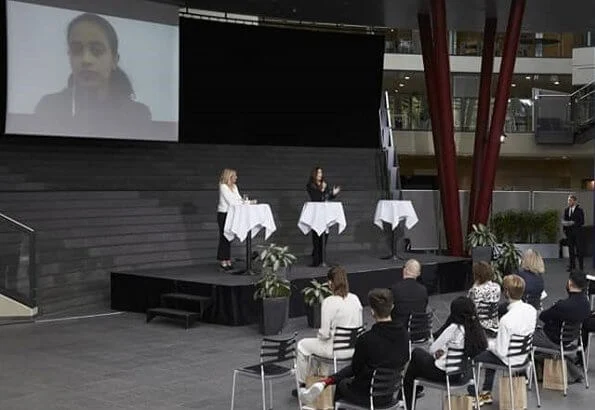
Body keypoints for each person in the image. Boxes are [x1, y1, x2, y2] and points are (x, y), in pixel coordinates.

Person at [34, 13, 151, 137]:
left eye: (97, 50)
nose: (86, 59)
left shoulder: (138, 114)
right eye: (76, 50)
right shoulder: (49, 107)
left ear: (114, 60)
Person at [299, 288, 409, 407]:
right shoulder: (404, 334)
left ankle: (327, 385)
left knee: (342, 384)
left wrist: (332, 379)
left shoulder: (366, 339)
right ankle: (327, 382)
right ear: (392, 307)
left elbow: (355, 369)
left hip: (368, 396)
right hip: (390, 394)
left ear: (372, 312)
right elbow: (405, 358)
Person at [403, 297, 487, 406]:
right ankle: (411, 394)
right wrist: (444, 351)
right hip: (465, 374)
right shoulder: (476, 330)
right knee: (414, 369)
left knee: (416, 355)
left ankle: (408, 400)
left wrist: (439, 351)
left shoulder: (453, 328)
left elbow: (432, 349)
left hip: (445, 374)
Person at [470, 274, 537, 406]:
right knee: (491, 352)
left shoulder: (506, 320)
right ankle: (486, 391)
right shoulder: (532, 310)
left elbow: (500, 351)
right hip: (524, 356)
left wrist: (488, 344)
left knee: (474, 353)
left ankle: (475, 393)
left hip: (509, 359)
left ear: (506, 292)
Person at [295, 266, 363, 386]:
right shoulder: (355, 298)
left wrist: (321, 336)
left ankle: (303, 383)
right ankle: (319, 382)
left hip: (336, 350)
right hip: (354, 349)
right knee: (319, 347)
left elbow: (324, 334)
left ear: (330, 283)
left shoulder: (329, 302)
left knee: (303, 345)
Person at [533, 270, 590, 382]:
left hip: (552, 339)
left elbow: (544, 317)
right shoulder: (586, 304)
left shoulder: (562, 305)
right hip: (569, 339)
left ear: (569, 283)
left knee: (526, 337)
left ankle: (529, 373)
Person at [306, 167, 341, 267]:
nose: (320, 174)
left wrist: (333, 194)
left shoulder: (324, 184)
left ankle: (322, 259)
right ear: (314, 174)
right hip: (316, 213)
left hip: (324, 213)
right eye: (318, 172)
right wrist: (322, 189)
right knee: (316, 236)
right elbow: (316, 197)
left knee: (325, 236)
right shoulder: (310, 185)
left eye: (321, 172)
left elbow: (326, 198)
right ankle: (316, 260)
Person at [217, 169, 243, 270]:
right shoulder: (223, 186)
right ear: (229, 177)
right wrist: (240, 202)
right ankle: (223, 260)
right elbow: (231, 201)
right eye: (234, 176)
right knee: (224, 237)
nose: (236, 178)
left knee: (229, 237)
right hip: (223, 214)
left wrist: (242, 202)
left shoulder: (234, 187)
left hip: (232, 214)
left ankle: (227, 259)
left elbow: (239, 199)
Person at [391, 259, 429, 327]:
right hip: (419, 330)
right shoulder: (423, 290)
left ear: (404, 270)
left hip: (399, 330)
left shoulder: (395, 289)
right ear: (419, 274)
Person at [467, 261, 501, 336]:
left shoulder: (475, 290)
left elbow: (469, 308)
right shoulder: (497, 287)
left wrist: (474, 285)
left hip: (480, 328)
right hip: (494, 325)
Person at [563, 194, 585, 271]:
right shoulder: (566, 210)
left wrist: (574, 223)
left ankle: (581, 267)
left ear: (575, 201)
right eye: (568, 200)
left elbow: (582, 222)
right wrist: (565, 227)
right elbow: (565, 220)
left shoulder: (580, 210)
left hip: (578, 233)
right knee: (571, 250)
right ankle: (572, 266)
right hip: (569, 233)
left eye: (570, 200)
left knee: (579, 250)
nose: (569, 202)